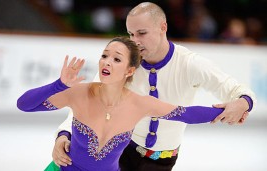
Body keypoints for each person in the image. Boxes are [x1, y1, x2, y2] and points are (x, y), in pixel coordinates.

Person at [51, 2, 256, 171]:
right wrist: (64, 134)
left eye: (141, 33)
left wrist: (243, 102)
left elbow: (237, 90)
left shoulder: (189, 63)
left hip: (161, 161)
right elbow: (89, 101)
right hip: (121, 152)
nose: (135, 41)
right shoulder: (124, 61)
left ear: (163, 27)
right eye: (131, 34)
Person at [18, 36, 226, 171]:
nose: (107, 62)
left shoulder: (139, 104)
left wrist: (227, 110)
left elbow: (186, 114)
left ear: (129, 71)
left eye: (116, 59)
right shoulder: (78, 93)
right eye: (104, 56)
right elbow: (24, 104)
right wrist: (59, 84)